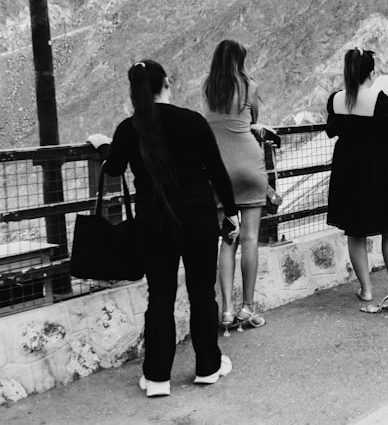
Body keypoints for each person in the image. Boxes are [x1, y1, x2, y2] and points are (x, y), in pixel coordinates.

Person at [87, 60, 237, 397]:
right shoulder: (192, 121)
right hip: (197, 219)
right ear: (166, 83)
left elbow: (114, 167)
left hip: (153, 221)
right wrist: (231, 213)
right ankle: (208, 368)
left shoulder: (130, 127)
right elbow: (217, 171)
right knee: (202, 292)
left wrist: (102, 144)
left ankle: (156, 377)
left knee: (160, 296)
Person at [326, 48, 388, 313]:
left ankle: (365, 289)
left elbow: (332, 129)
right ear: (372, 73)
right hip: (376, 166)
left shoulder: (337, 100)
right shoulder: (378, 99)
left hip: (347, 167)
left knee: (355, 231)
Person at [203, 40, 269, 332]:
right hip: (250, 165)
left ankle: (227, 310)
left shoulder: (208, 87)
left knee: (228, 240)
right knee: (251, 239)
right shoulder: (249, 86)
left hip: (219, 169)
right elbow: (252, 119)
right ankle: (248, 307)